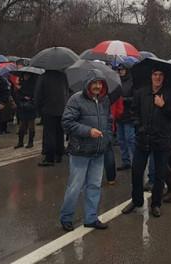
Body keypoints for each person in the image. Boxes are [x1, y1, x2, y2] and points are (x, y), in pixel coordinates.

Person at [122, 68, 171, 218]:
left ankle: (156, 204)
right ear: (151, 76)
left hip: (162, 139)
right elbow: (134, 111)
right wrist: (138, 126)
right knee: (136, 171)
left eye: (161, 75)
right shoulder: (142, 92)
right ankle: (136, 200)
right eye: (155, 74)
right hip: (143, 138)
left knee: (159, 174)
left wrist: (164, 106)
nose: (158, 77)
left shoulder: (170, 94)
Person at [59, 71, 112, 232]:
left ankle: (91, 218)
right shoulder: (76, 99)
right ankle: (66, 217)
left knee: (95, 186)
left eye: (100, 83)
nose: (97, 86)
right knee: (75, 186)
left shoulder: (104, 100)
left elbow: (108, 120)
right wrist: (88, 131)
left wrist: (107, 137)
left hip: (98, 151)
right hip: (80, 151)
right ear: (88, 84)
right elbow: (67, 122)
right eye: (94, 83)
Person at [35, 69, 70, 167]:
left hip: (48, 108)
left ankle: (49, 157)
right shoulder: (63, 76)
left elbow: (38, 94)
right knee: (59, 132)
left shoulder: (43, 77)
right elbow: (67, 90)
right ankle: (59, 154)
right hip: (62, 108)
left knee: (49, 133)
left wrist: (38, 108)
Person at [115, 62, 136, 170]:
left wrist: (125, 100)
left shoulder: (133, 82)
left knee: (130, 139)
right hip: (119, 115)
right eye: (119, 69)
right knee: (121, 139)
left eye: (122, 69)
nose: (120, 71)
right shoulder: (116, 81)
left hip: (129, 115)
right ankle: (125, 160)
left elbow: (136, 98)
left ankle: (135, 161)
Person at [14, 72, 38, 149]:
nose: (26, 76)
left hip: (31, 107)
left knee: (31, 126)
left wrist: (30, 98)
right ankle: (20, 142)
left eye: (27, 75)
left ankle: (30, 142)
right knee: (22, 126)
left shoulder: (34, 85)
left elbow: (36, 95)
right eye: (24, 75)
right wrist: (23, 97)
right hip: (22, 107)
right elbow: (17, 95)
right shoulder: (21, 85)